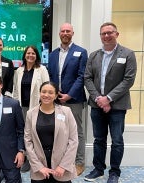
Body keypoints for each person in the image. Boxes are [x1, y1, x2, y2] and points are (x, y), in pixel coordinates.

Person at [84, 22, 137, 183]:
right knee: (98, 139)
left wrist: (108, 98)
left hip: (118, 105)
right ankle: (99, 169)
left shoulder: (128, 54)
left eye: (110, 33)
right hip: (96, 104)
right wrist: (99, 99)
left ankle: (115, 172)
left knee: (117, 140)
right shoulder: (93, 55)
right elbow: (87, 78)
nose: (106, 36)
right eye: (103, 33)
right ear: (100, 36)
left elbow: (129, 80)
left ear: (116, 34)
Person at [47, 22, 88, 176]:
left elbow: (82, 76)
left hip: (74, 99)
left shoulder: (81, 52)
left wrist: (69, 95)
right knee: (59, 131)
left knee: (76, 131)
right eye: (62, 31)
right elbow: (51, 76)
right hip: (56, 99)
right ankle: (61, 160)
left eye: (68, 31)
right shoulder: (52, 54)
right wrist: (55, 94)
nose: (65, 33)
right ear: (59, 33)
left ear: (72, 33)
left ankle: (79, 161)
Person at [24, 81, 78, 183]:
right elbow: (28, 141)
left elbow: (73, 140)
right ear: (39, 93)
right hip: (39, 168)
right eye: (43, 92)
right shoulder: (30, 114)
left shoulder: (66, 112)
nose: (46, 95)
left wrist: (63, 166)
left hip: (61, 168)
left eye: (50, 92)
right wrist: (38, 166)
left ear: (56, 95)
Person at [13, 45, 49, 172]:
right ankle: (26, 159)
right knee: (24, 133)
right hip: (22, 107)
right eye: (28, 53)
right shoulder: (19, 71)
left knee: (35, 133)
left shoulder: (42, 69)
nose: (30, 55)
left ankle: (37, 160)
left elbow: (47, 88)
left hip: (36, 107)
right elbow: (15, 91)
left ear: (36, 56)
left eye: (33, 53)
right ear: (24, 55)